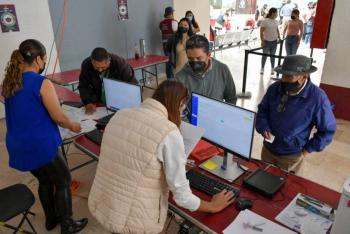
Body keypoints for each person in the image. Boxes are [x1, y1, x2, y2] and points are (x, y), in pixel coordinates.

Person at [88, 80, 235, 233]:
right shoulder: (168, 132)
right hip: (134, 219)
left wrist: (172, 165)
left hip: (106, 203)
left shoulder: (121, 114)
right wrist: (212, 206)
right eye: (183, 109)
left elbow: (135, 156)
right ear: (178, 104)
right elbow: (182, 197)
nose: (181, 113)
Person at [1, 39, 88, 234]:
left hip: (17, 144)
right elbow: (58, 117)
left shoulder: (9, 82)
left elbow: (18, 102)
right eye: (44, 59)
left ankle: (51, 220)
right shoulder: (42, 82)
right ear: (38, 59)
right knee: (63, 180)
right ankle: (67, 225)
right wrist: (73, 125)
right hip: (39, 145)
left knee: (45, 180)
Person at [255, 55, 336, 175]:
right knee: (263, 181)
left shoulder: (318, 98)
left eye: (289, 76)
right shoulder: (275, 88)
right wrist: (263, 126)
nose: (284, 80)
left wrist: (306, 151)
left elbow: (327, 131)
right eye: (283, 75)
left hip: (292, 156)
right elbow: (263, 110)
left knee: (286, 190)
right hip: (268, 150)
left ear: (304, 76)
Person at [175, 34, 237, 118]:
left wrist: (224, 119)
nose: (195, 62)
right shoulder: (180, 78)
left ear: (209, 55)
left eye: (199, 58)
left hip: (217, 120)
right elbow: (178, 109)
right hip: (192, 124)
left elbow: (231, 98)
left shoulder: (223, 70)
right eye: (190, 58)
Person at [78, 47, 137, 114]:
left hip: (119, 101)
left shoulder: (120, 64)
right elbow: (83, 86)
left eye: (103, 67)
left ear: (109, 61)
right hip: (99, 103)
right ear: (92, 62)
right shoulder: (86, 64)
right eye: (97, 67)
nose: (100, 70)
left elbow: (133, 85)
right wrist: (88, 102)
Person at [260, 8, 281, 75]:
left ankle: (272, 68)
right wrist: (262, 41)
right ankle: (262, 68)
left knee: (273, 56)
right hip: (266, 41)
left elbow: (277, 29)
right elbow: (261, 32)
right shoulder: (265, 21)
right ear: (272, 13)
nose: (277, 14)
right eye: (276, 13)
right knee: (264, 56)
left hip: (274, 42)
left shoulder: (276, 21)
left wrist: (279, 37)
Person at [159, 6, 178, 79]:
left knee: (167, 62)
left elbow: (162, 31)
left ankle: (168, 78)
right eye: (172, 12)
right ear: (171, 13)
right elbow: (176, 33)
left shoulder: (161, 23)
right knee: (173, 62)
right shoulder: (174, 22)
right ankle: (172, 78)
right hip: (172, 45)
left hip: (165, 45)